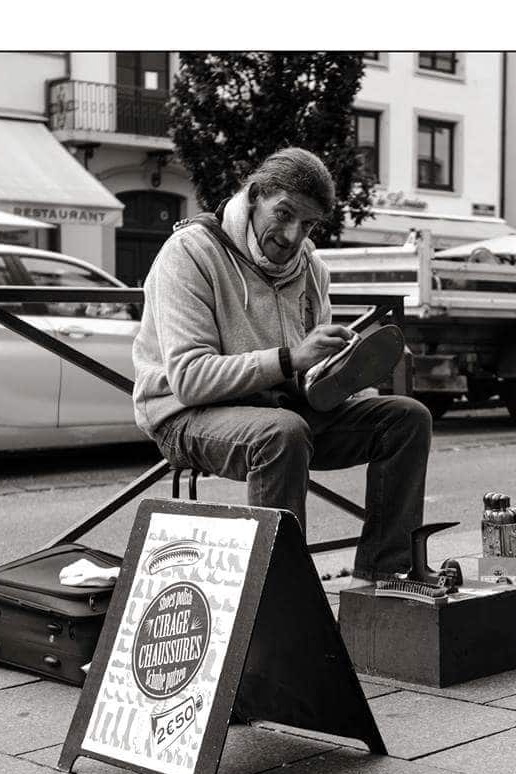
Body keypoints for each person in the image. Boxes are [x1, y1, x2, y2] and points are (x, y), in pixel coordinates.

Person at [132, 147, 432, 583]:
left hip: (279, 409)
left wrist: (341, 374)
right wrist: (291, 358)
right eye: (285, 214)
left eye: (308, 224)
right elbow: (190, 379)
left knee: (406, 419)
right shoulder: (188, 254)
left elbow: (306, 378)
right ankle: (281, 595)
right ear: (256, 195)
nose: (293, 235)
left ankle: (382, 578)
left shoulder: (312, 270)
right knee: (282, 433)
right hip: (185, 416)